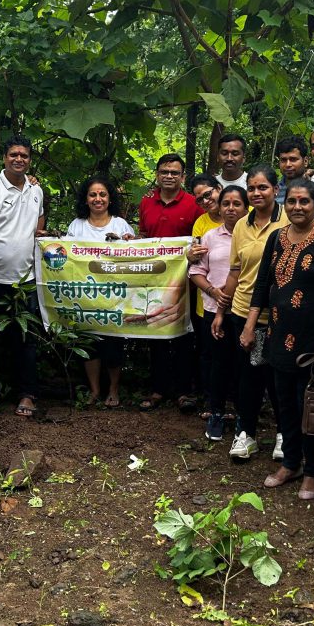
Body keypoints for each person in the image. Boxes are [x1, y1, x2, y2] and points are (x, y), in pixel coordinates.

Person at [249, 177, 314, 498]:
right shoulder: (277, 238)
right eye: (291, 201)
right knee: (283, 404)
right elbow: (263, 283)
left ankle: (313, 471)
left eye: (304, 201)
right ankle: (291, 462)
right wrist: (250, 324)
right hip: (278, 335)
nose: (297, 207)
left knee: (308, 404)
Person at [213, 165, 288, 460]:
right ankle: (246, 434)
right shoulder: (242, 225)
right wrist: (222, 310)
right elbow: (235, 271)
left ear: (275, 190)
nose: (257, 193)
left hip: (282, 315)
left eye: (263, 188)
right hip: (243, 312)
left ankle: (284, 435)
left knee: (280, 377)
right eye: (253, 188)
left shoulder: (289, 219)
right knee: (248, 375)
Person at [0, 133, 46, 418]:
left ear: (29, 160)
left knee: (26, 341)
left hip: (24, 281)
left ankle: (27, 394)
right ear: (4, 158)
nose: (19, 159)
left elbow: (38, 222)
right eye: (13, 154)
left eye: (24, 155)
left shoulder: (35, 189)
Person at [136, 153, 202, 411]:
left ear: (183, 177)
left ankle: (184, 391)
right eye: (164, 171)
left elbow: (199, 240)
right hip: (154, 279)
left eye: (175, 172)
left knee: (184, 335)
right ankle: (158, 389)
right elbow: (143, 236)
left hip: (185, 280)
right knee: (156, 332)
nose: (169, 176)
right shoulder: (146, 203)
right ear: (157, 174)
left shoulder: (193, 204)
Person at [66, 175, 135, 408]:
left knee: (113, 345)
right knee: (89, 344)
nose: (98, 199)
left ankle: (113, 389)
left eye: (102, 194)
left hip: (115, 297)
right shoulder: (76, 225)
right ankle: (95, 390)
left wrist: (128, 241)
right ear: (86, 199)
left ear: (109, 198)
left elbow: (133, 257)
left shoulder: (120, 225)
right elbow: (68, 258)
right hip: (85, 296)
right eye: (93, 194)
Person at [190, 185, 246, 440]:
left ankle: (243, 416)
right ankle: (216, 412)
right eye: (226, 204)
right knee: (218, 363)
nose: (231, 209)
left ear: (246, 208)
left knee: (244, 364)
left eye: (237, 204)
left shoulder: (256, 237)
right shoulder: (211, 237)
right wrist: (214, 292)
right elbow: (196, 272)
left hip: (245, 310)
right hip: (214, 309)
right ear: (220, 207)